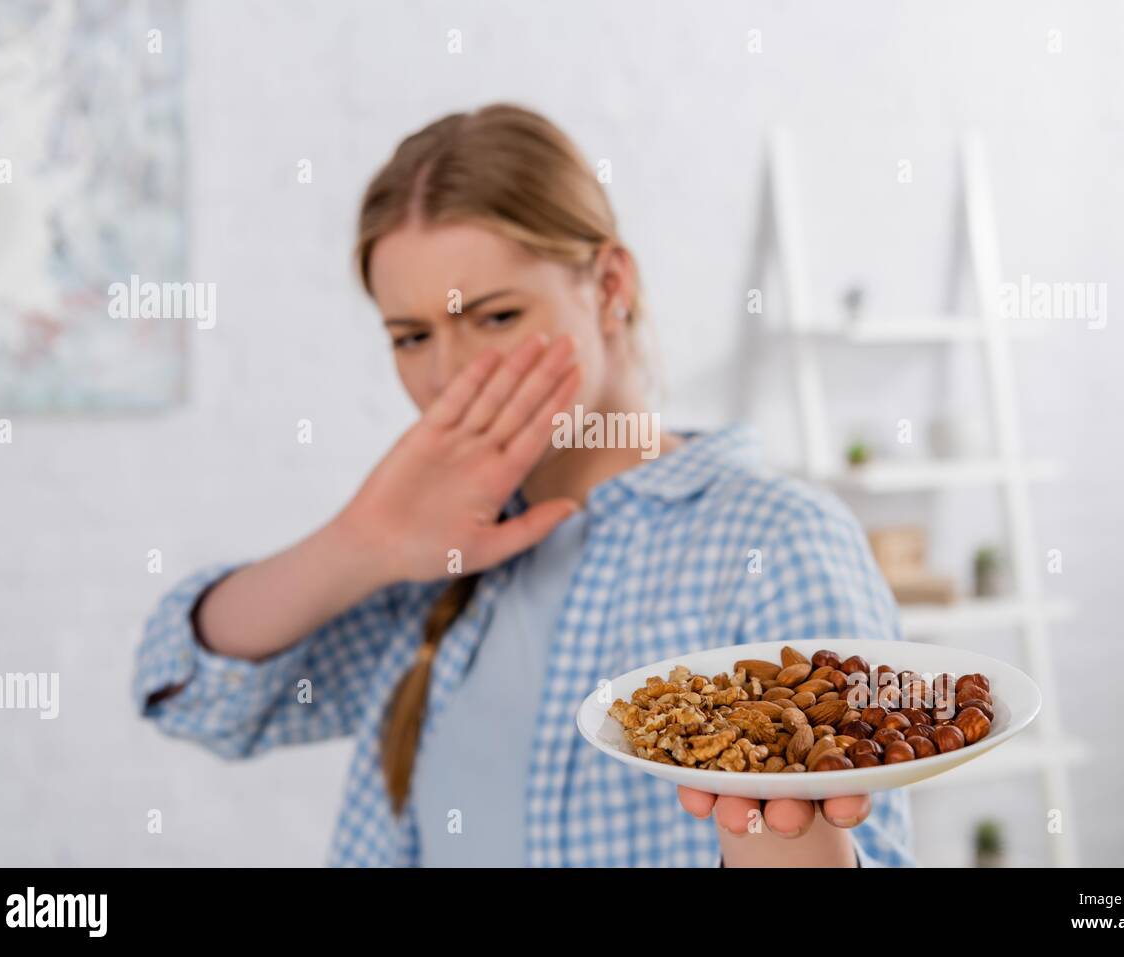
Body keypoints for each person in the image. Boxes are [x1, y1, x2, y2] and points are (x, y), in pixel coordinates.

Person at [133, 103, 915, 868]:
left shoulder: (775, 543)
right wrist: (360, 543)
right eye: (411, 336)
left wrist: (775, 803)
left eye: (496, 317)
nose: (447, 376)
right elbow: (196, 696)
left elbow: (860, 846)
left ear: (610, 286)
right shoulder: (435, 556)